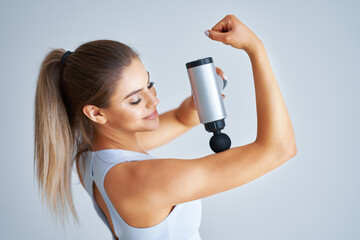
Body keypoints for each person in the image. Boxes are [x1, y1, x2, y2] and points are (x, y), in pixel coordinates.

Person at [34, 14, 297, 240]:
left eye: (149, 84)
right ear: (96, 113)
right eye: (135, 99)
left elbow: (182, 119)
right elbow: (278, 148)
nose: (154, 100)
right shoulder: (146, 181)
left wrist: (195, 107)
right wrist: (256, 48)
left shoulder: (90, 158)